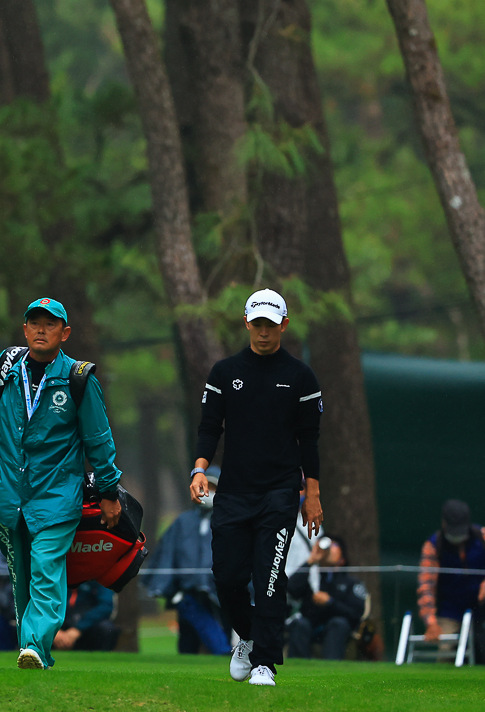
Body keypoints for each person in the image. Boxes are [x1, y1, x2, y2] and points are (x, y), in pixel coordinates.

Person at [0, 297, 123, 670]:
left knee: (47, 567)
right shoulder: (5, 369)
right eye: (34, 323)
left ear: (64, 333)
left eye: (50, 324)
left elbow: (99, 440)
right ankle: (36, 654)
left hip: (56, 496)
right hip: (6, 496)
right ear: (24, 329)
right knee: (21, 579)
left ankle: (33, 643)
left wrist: (109, 492)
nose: (41, 330)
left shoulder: (79, 378)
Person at [192, 288, 323, 688]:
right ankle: (247, 638)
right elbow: (209, 427)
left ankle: (265, 662)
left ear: (284, 325)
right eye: (258, 323)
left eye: (271, 324)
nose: (264, 331)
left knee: (269, 577)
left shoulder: (300, 376)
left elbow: (310, 441)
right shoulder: (224, 372)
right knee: (227, 577)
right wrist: (199, 469)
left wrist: (313, 496)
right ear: (247, 323)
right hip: (233, 492)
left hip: (280, 493)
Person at [143, 466, 231, 655]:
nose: (208, 492)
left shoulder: (230, 521)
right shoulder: (183, 522)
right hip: (188, 593)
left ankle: (224, 654)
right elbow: (166, 555)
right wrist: (166, 588)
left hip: (222, 593)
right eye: (205, 487)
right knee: (188, 643)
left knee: (221, 631)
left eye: (213, 488)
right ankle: (217, 654)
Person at [417, 499, 485, 649]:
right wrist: (431, 622)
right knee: (445, 651)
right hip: (450, 612)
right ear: (444, 524)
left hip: (482, 610)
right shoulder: (433, 545)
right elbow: (426, 587)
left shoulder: (481, 535)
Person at [286, 535, 364, 660]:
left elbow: (356, 613)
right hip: (310, 624)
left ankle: (332, 668)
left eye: (334, 545)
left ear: (342, 557)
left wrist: (330, 602)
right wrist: (311, 560)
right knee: (300, 624)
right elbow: (290, 587)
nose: (328, 549)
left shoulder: (350, 582)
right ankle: (298, 666)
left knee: (338, 623)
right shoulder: (312, 577)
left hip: (335, 627)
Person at [53, 581, 118, 652]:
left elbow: (106, 606)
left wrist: (78, 629)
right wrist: (53, 630)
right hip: (59, 624)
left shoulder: (97, 578)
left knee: (107, 628)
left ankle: (100, 659)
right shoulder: (55, 575)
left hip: (87, 626)